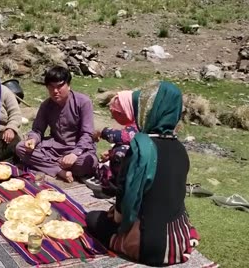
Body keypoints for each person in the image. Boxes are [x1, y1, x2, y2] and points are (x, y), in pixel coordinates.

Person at [85, 81, 200, 266]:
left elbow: (126, 204)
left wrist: (118, 221)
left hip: (151, 246)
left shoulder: (141, 146)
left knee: (92, 218)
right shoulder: (180, 148)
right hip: (178, 239)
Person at [15, 66, 97, 183]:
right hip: (54, 148)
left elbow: (87, 133)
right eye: (51, 87)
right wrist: (32, 140)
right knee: (21, 148)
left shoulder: (83, 102)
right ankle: (59, 171)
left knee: (88, 163)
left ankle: (47, 166)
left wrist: (75, 154)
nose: (55, 91)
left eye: (59, 87)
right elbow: (38, 130)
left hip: (79, 150)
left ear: (68, 85)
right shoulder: (46, 105)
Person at [91, 91, 138, 194]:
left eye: (116, 114)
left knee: (120, 152)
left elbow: (125, 137)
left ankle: (115, 188)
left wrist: (103, 132)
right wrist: (110, 152)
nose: (113, 118)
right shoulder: (135, 123)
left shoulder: (140, 124)